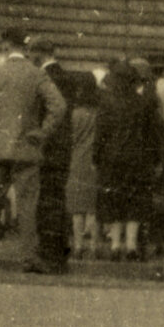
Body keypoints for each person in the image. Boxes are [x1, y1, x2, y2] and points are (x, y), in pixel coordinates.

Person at [0, 29, 66, 271]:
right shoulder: (36, 75)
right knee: (27, 206)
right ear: (25, 48)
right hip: (26, 148)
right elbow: (58, 106)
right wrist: (42, 132)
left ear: (5, 46)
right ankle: (28, 258)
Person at [94, 61, 160, 261]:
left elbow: (100, 134)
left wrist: (95, 158)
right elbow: (152, 135)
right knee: (135, 202)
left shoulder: (106, 103)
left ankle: (115, 245)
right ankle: (131, 245)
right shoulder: (144, 103)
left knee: (115, 200)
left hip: (111, 160)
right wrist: (155, 159)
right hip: (138, 160)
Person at [27, 36, 74, 273]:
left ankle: (49, 253)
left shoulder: (42, 78)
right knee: (59, 200)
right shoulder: (67, 77)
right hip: (65, 148)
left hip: (48, 147)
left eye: (31, 54)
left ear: (38, 54)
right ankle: (61, 250)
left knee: (46, 202)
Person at [60, 69, 101, 260]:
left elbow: (68, 140)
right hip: (94, 162)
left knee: (77, 208)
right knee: (93, 208)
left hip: (76, 161)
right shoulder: (98, 113)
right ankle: (93, 246)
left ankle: (78, 246)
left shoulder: (74, 114)